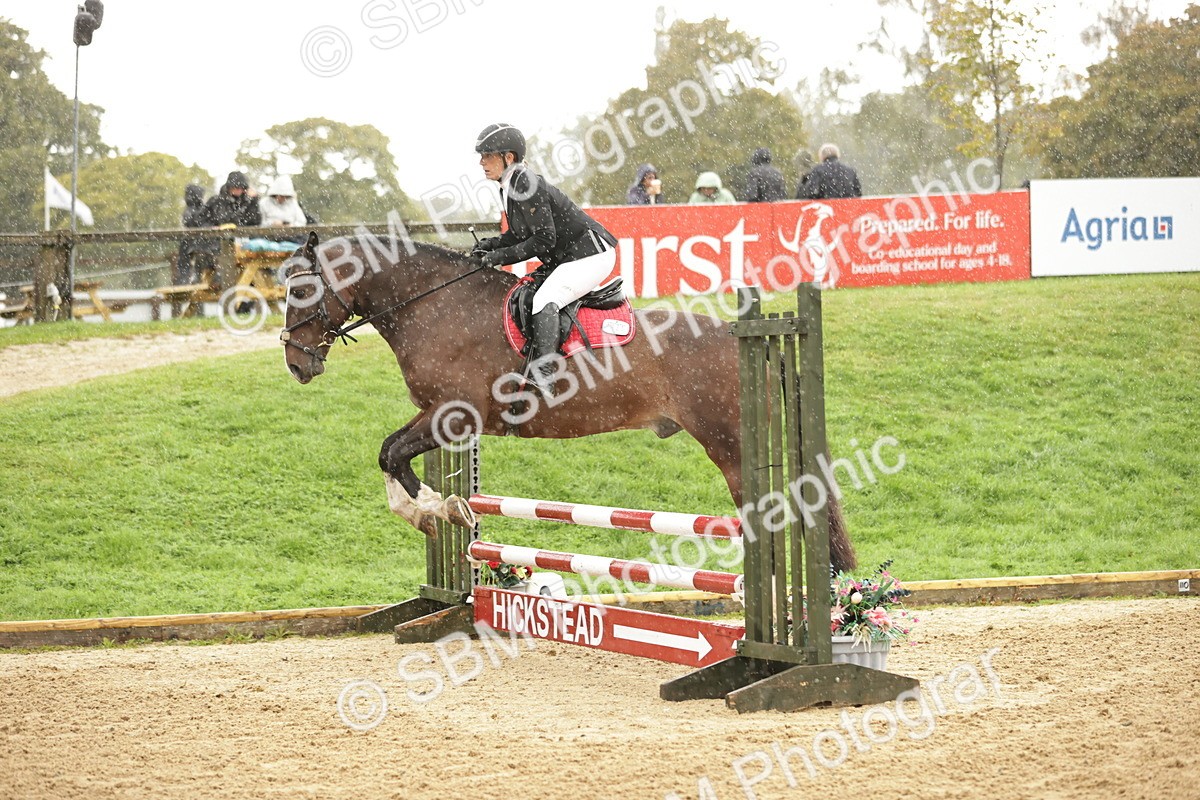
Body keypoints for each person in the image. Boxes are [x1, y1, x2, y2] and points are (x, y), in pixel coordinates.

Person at [471, 122, 618, 397]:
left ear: (508, 157)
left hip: (591, 255)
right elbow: (518, 234)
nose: (481, 162)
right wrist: (490, 246)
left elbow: (543, 240)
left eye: (487, 155)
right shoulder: (509, 185)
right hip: (570, 256)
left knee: (543, 300)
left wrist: (499, 257)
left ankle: (545, 373)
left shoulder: (525, 182)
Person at [176, 184, 216, 284]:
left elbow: (193, 222)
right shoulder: (194, 209)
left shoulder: (198, 209)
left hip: (202, 243)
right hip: (199, 242)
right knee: (186, 249)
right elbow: (191, 222)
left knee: (186, 251)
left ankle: (187, 277)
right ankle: (188, 277)